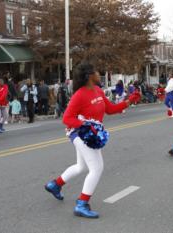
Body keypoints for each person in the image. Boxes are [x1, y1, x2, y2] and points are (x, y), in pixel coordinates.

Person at [44, 63, 139, 219]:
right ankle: (81, 204)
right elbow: (67, 118)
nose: (98, 73)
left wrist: (129, 101)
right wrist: (87, 125)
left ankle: (55, 185)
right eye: (96, 71)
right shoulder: (79, 95)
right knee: (97, 168)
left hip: (91, 134)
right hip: (80, 134)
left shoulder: (98, 91)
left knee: (81, 167)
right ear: (89, 76)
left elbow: (111, 109)